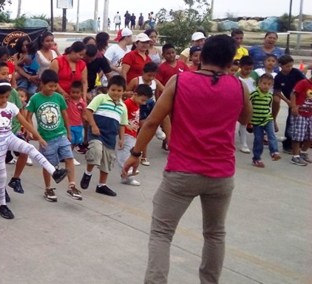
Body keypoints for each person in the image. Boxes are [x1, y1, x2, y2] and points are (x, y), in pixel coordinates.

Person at [121, 35, 252, 283]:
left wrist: (135, 154)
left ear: (202, 56)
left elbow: (151, 122)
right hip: (221, 174)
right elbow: (246, 120)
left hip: (182, 172)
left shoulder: (179, 81)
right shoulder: (238, 86)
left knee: (161, 233)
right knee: (215, 234)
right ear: (229, 60)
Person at [0, 80, 69, 218]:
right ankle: (2, 205)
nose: (4, 100)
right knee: (2, 175)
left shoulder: (11, 106)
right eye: (1, 97)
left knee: (30, 148)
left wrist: (38, 137)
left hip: (9, 137)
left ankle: (54, 172)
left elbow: (24, 122)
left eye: (6, 97)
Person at [24, 70, 81, 202]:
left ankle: (71, 185)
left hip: (61, 134)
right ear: (42, 84)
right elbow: (28, 116)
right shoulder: (35, 98)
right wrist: (31, 132)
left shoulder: (58, 97)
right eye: (50, 86)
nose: (52, 89)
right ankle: (48, 188)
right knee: (48, 164)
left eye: (55, 86)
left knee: (69, 158)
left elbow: (65, 114)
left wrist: (68, 131)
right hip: (46, 138)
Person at [79, 75, 128, 197]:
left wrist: (121, 139)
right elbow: (89, 111)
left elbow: (122, 124)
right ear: (108, 89)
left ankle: (101, 185)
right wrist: (94, 126)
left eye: (119, 90)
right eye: (113, 90)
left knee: (107, 161)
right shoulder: (101, 98)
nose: (116, 93)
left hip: (110, 137)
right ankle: (87, 173)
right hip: (97, 133)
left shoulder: (123, 106)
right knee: (95, 151)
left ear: (123, 91)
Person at [116, 84, 151, 186]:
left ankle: (126, 176)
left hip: (133, 134)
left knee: (130, 155)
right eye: (142, 100)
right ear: (135, 94)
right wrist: (126, 126)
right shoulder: (127, 104)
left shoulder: (136, 104)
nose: (143, 103)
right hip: (126, 134)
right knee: (125, 155)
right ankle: (126, 174)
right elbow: (120, 117)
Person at [274, 55, 306, 151]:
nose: (290, 68)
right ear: (280, 65)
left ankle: (301, 142)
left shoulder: (296, 73)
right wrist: (287, 101)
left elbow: (305, 84)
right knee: (290, 123)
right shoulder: (278, 77)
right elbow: (277, 91)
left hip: (301, 100)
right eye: (287, 66)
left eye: (291, 66)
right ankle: (288, 144)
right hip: (290, 102)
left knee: (303, 122)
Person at [250, 74, 282, 167]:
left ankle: (274, 152)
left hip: (268, 119)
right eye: (264, 83)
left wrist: (273, 119)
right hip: (256, 121)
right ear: (259, 83)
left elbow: (269, 107)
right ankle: (256, 159)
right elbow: (247, 104)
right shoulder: (254, 93)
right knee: (258, 140)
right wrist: (248, 120)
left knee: (271, 135)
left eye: (269, 84)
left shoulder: (270, 95)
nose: (266, 86)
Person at [289, 70, 312, 166]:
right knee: (298, 136)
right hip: (300, 113)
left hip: (310, 114)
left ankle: (302, 152)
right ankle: (295, 156)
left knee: (310, 136)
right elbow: (293, 93)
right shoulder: (304, 83)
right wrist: (294, 106)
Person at [66, 81, 87, 164]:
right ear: (70, 92)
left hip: (79, 125)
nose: (75, 94)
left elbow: (84, 114)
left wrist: (84, 122)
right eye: (73, 92)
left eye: (77, 92)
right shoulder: (67, 101)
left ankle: (68, 154)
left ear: (81, 92)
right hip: (69, 124)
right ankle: (69, 156)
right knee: (71, 140)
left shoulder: (82, 103)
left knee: (77, 141)